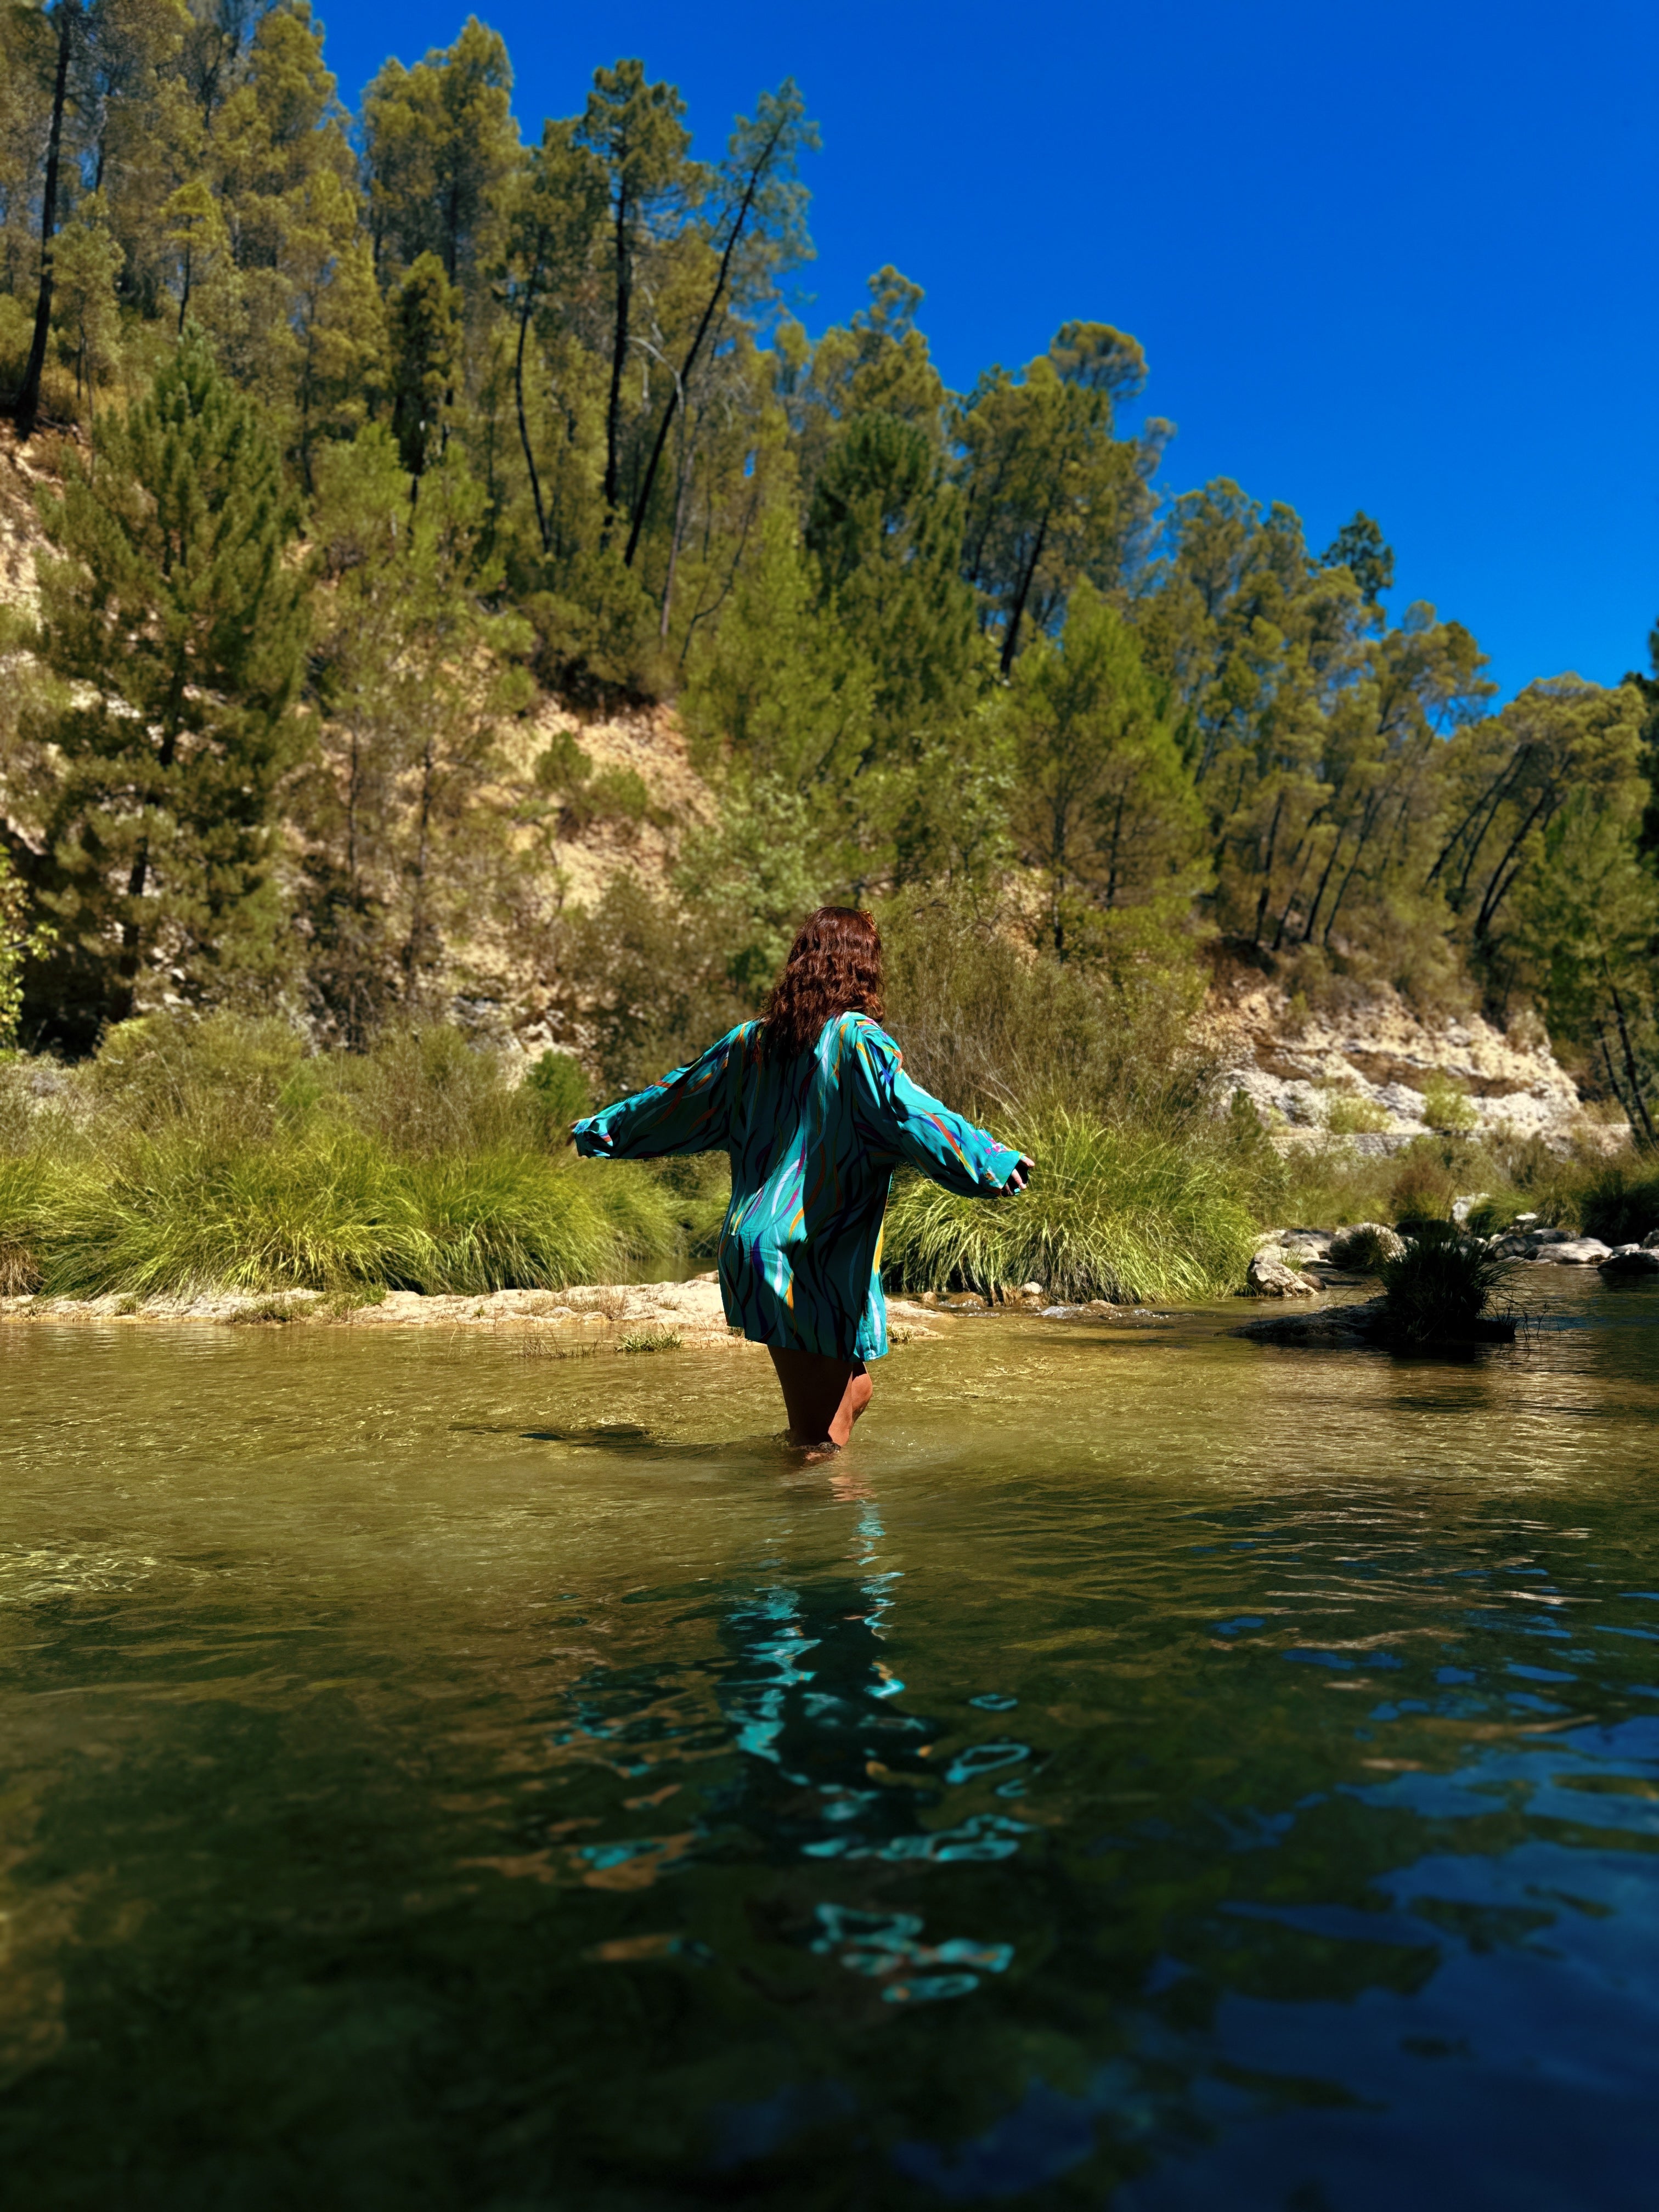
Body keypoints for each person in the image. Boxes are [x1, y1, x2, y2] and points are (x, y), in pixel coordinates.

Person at [571, 906, 1032, 1449]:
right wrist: (988, 1160)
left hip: (761, 1249)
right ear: (862, 969)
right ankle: (806, 1522)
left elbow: (673, 1099)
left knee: (855, 1391)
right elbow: (910, 1110)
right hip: (802, 1257)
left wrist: (603, 1127)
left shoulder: (749, 1044)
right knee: (822, 1444)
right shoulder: (856, 1039)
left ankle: (805, 1506)